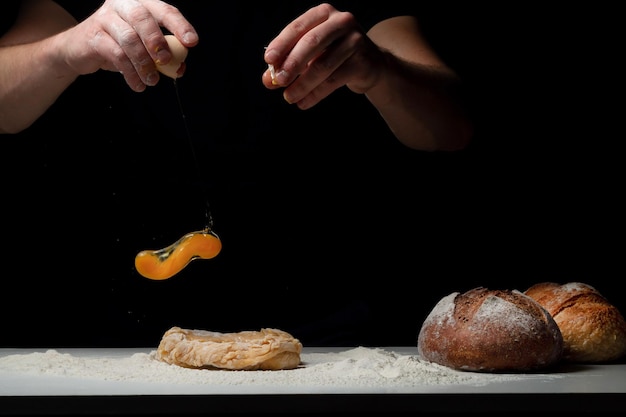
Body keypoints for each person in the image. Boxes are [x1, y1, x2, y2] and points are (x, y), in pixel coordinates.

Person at [1, 1, 474, 347]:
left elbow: (455, 127)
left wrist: (381, 69)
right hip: (109, 333)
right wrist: (60, 50)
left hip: (328, 332)